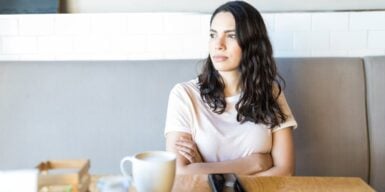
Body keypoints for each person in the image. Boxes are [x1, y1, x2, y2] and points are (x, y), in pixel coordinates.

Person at [164, 1, 297, 176]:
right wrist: (253, 163)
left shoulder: (270, 92)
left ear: (252, 44)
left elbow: (285, 171)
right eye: (213, 34)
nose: (218, 44)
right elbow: (179, 173)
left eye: (231, 36)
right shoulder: (184, 95)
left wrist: (203, 168)